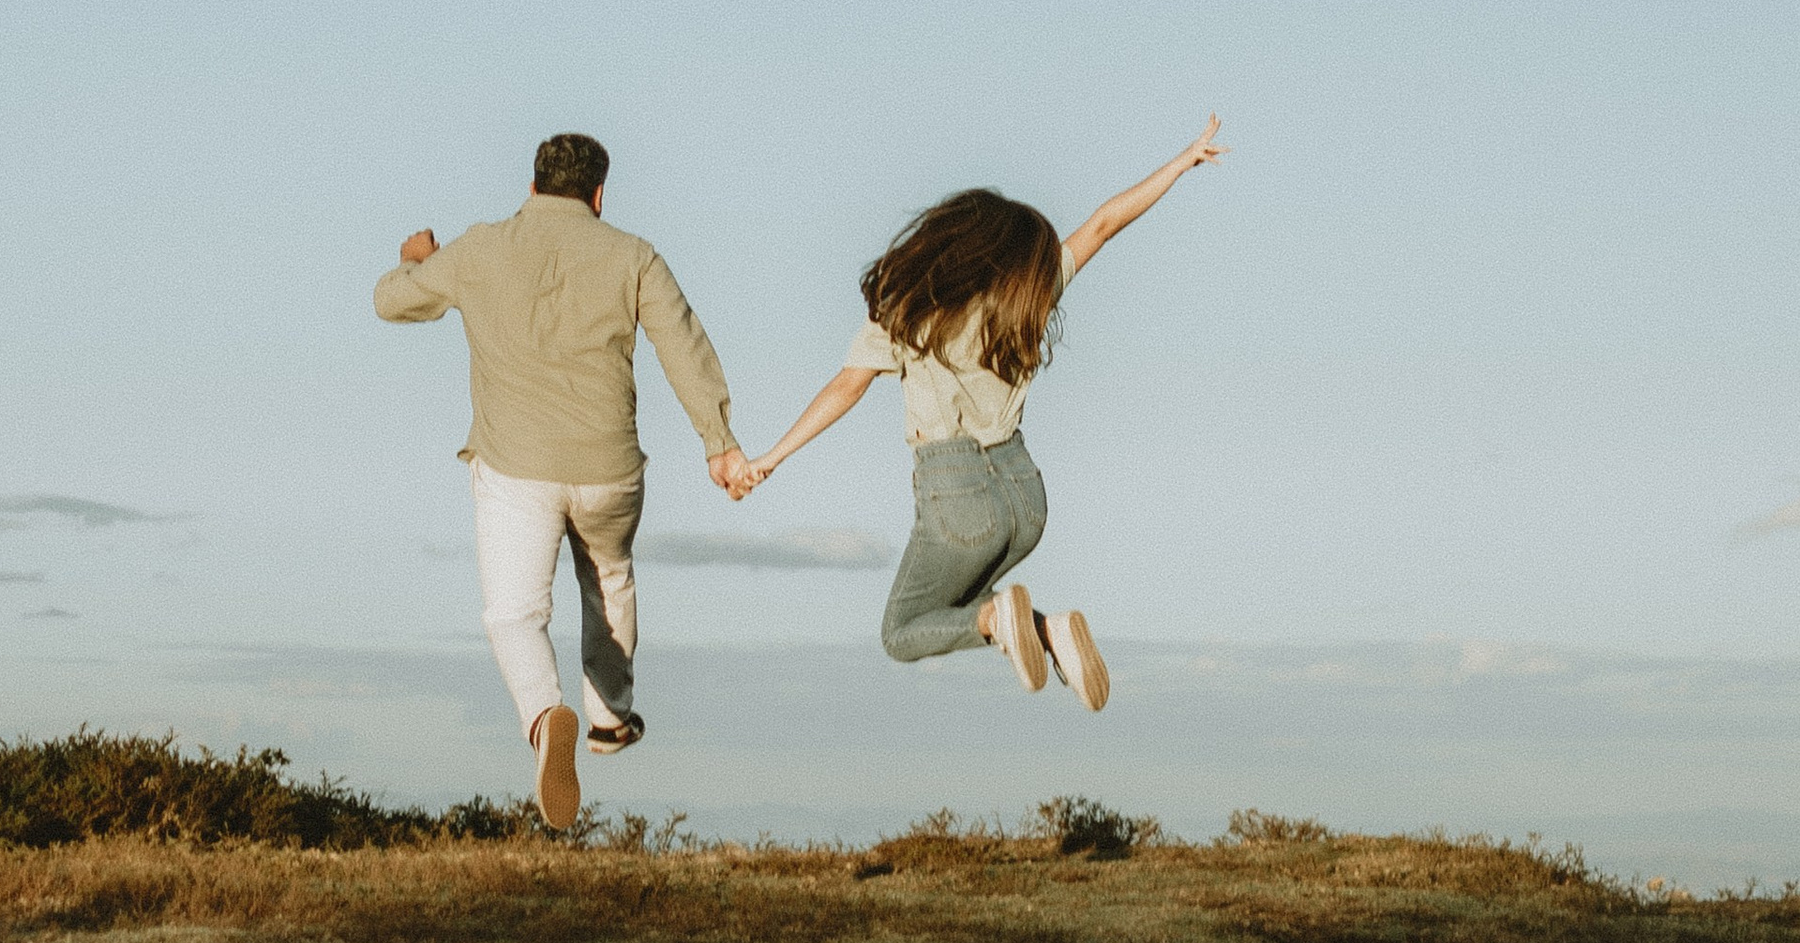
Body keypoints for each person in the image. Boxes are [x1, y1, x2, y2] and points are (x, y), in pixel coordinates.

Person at [745, 111, 1226, 711]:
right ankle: (1049, 632)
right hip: (1025, 498)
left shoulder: (910, 308)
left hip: (957, 494)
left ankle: (1007, 620)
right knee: (974, 606)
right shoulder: (1028, 295)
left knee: (902, 632)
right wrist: (1180, 164)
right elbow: (1103, 224)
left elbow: (846, 387)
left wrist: (770, 458)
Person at [374, 132, 753, 830]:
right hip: (609, 468)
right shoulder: (634, 255)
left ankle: (547, 716)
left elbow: (391, 303)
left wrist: (415, 260)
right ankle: (608, 719)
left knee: (515, 614)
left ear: (531, 187)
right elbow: (685, 345)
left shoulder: (480, 249)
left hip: (515, 466)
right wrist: (720, 443)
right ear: (600, 195)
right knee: (608, 578)